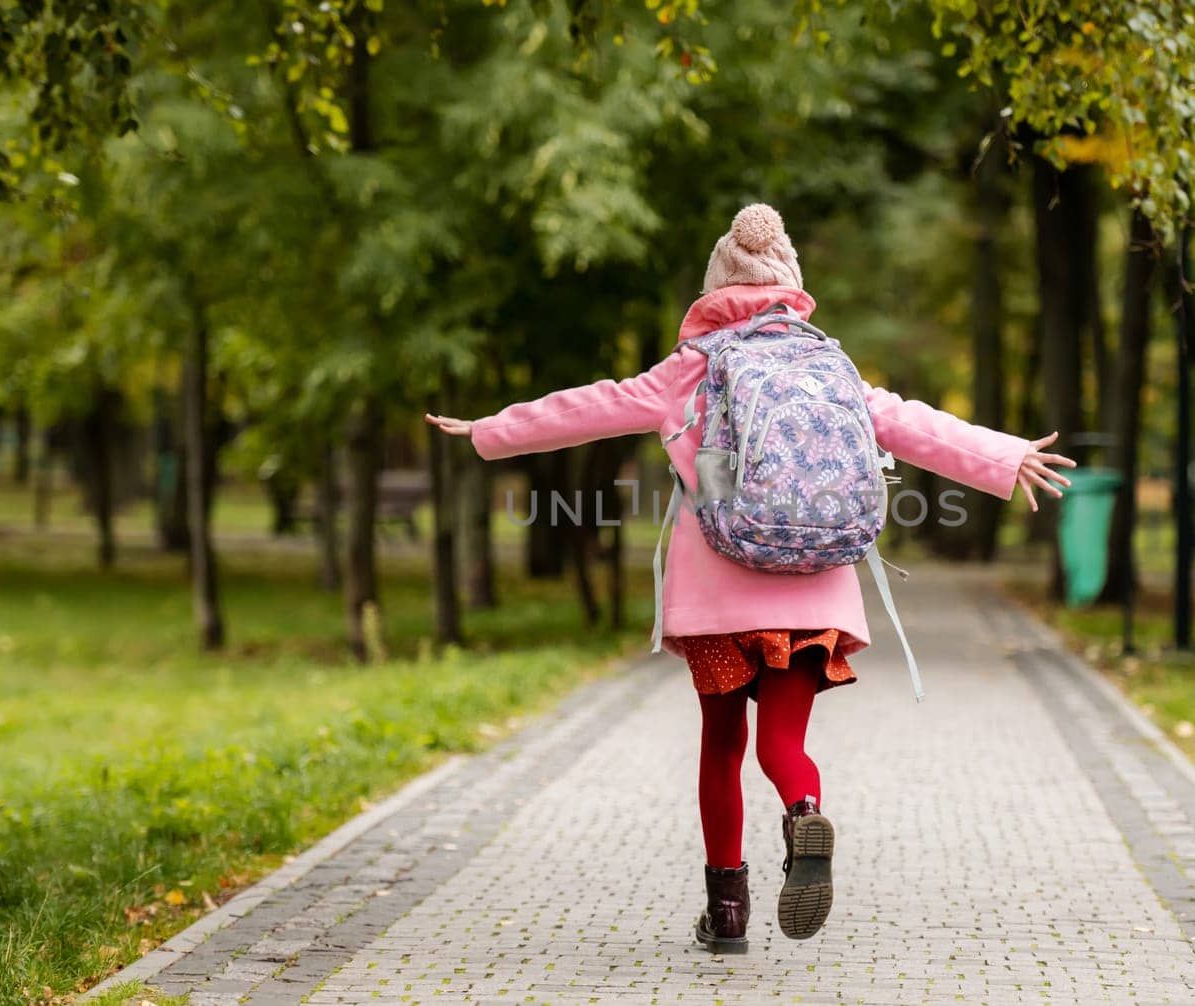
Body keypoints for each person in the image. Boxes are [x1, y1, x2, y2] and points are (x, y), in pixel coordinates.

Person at [426, 203, 1075, 954]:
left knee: (723, 744)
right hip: (816, 588)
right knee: (783, 746)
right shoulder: (830, 364)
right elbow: (909, 421)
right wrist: (1002, 456)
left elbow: (594, 405)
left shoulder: (691, 369)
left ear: (714, 289)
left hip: (721, 595)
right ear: (790, 285)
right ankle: (804, 815)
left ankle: (726, 914)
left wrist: (487, 430)